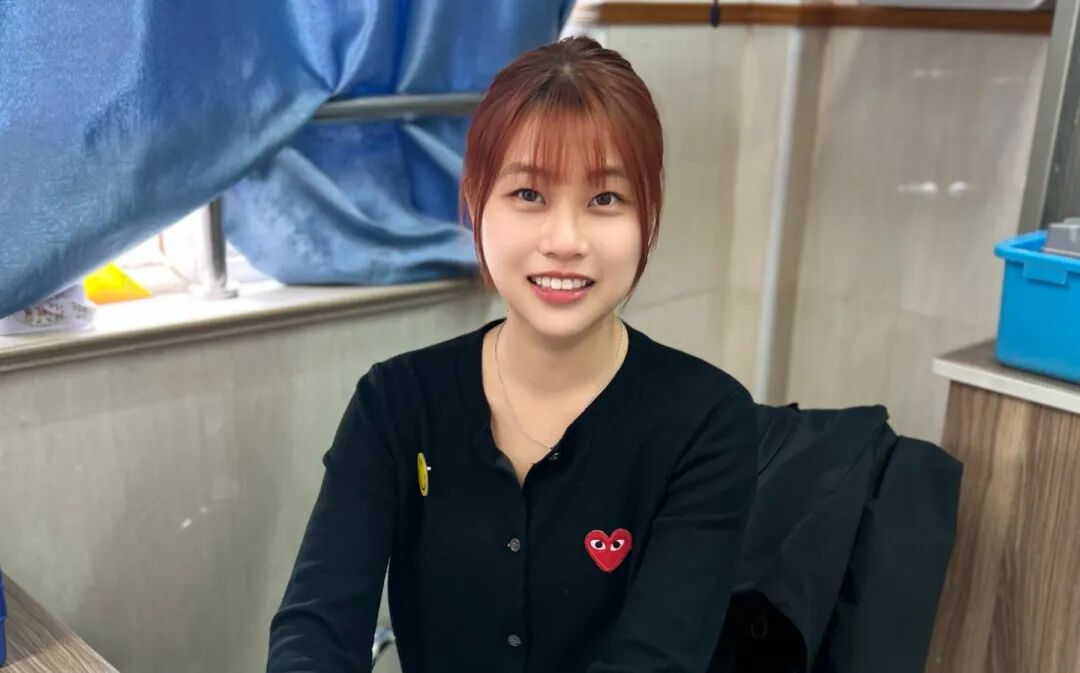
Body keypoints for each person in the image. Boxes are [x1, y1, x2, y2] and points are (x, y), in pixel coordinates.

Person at [266, 35, 758, 673]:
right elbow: (317, 626)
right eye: (529, 194)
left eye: (605, 199)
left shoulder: (705, 420)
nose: (565, 240)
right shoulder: (396, 403)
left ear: (648, 216)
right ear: (475, 203)